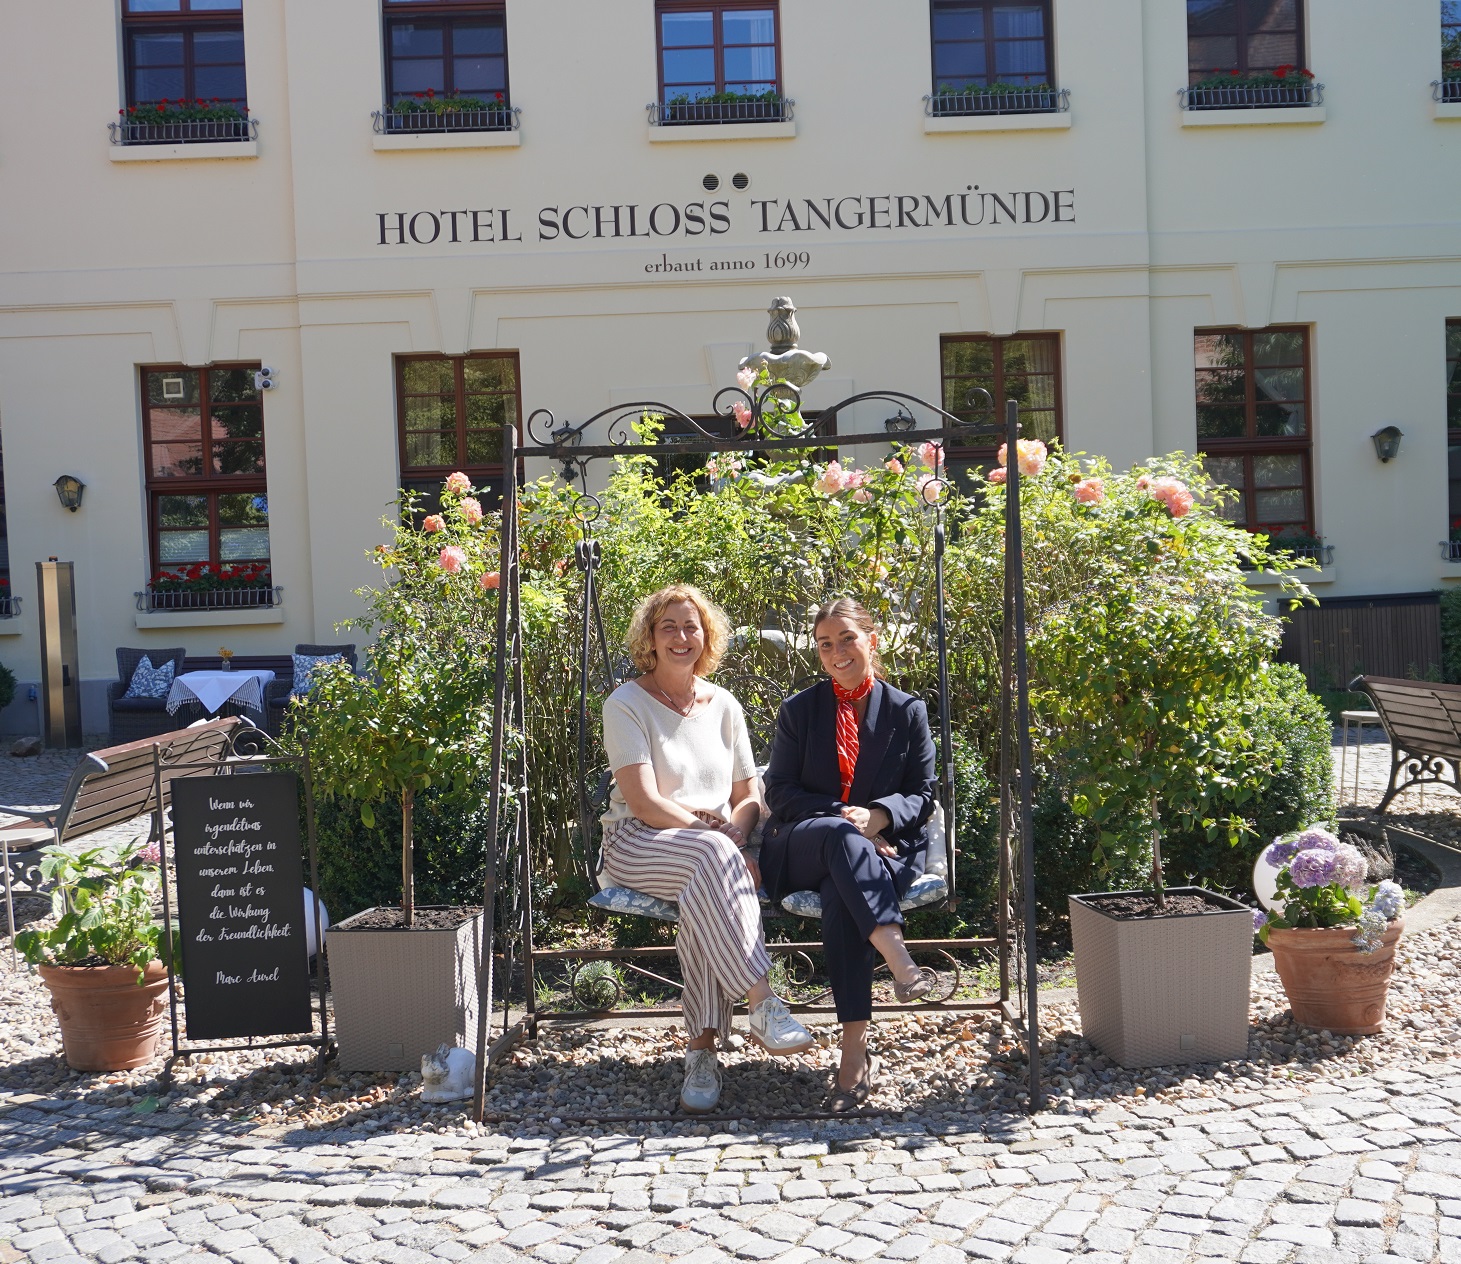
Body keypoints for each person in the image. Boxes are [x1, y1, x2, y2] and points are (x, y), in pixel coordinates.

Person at [599, 583, 816, 1114]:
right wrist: (721, 839)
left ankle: (701, 1053)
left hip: (714, 852)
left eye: (690, 627)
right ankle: (763, 1002)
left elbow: (749, 796)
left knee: (707, 879)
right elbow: (645, 802)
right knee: (712, 860)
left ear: (706, 636)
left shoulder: (724, 705)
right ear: (650, 637)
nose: (681, 636)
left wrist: (734, 833)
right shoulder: (626, 703)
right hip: (638, 840)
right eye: (668, 626)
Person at [762, 597, 937, 1111]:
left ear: (871, 640)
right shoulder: (799, 711)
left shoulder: (906, 711)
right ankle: (900, 960)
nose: (836, 652)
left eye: (846, 639)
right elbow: (781, 792)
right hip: (804, 844)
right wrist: (848, 817)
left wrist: (878, 817)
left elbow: (922, 792)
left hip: (881, 851)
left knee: (844, 895)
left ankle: (854, 1051)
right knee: (843, 840)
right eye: (825, 644)